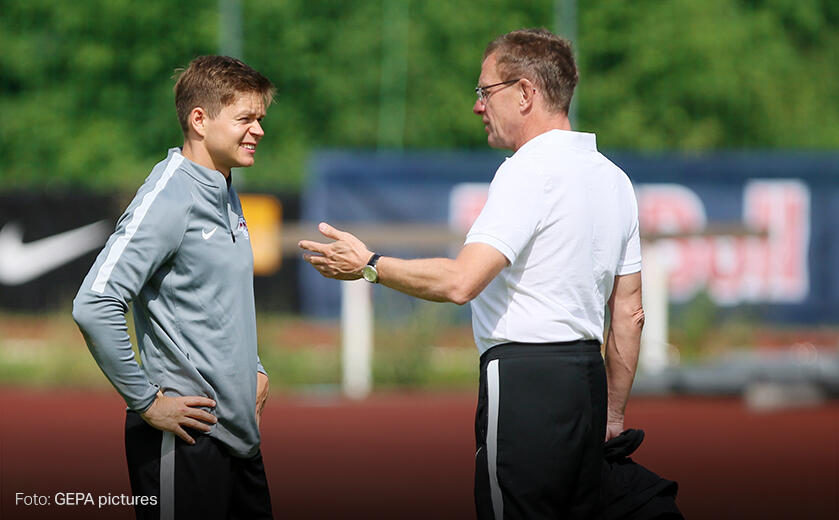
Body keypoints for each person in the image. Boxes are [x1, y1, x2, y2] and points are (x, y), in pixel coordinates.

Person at [299, 28, 644, 519]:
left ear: (525, 93)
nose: (478, 106)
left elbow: (462, 282)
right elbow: (629, 314)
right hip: (587, 385)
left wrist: (370, 266)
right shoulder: (615, 179)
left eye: (485, 91)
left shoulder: (526, 170)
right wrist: (611, 412)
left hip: (525, 383)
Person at [73, 55, 275, 520]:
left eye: (260, 119)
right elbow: (94, 303)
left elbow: (217, 300)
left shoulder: (223, 186)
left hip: (241, 444)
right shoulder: (170, 195)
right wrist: (146, 401)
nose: (259, 130)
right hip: (185, 441)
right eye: (245, 118)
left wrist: (255, 369)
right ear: (199, 120)